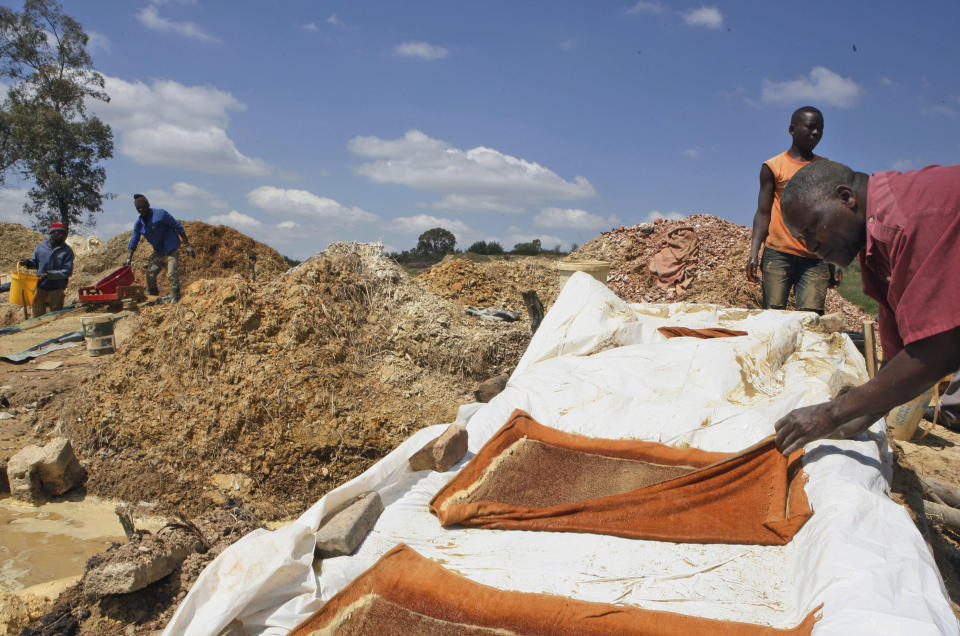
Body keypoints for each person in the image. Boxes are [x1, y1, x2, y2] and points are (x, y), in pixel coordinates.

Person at [772, 161, 960, 455]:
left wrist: (833, 413)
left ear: (846, 197)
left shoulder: (909, 220)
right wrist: (865, 412)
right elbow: (899, 353)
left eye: (811, 229)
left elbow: (937, 349)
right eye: (801, 238)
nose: (810, 246)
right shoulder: (875, 246)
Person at [746, 106, 840, 314]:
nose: (815, 133)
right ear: (792, 129)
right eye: (809, 127)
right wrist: (754, 252)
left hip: (815, 260)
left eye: (820, 129)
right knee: (773, 317)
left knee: (811, 320)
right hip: (778, 255)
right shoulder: (773, 166)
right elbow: (763, 213)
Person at [125, 194, 195, 303]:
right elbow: (134, 240)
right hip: (158, 252)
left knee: (171, 274)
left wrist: (188, 245)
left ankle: (175, 299)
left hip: (171, 249)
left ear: (147, 205)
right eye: (139, 209)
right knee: (150, 274)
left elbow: (177, 226)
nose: (141, 210)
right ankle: (153, 298)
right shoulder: (139, 224)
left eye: (143, 207)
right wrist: (128, 259)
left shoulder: (160, 214)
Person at [18, 222, 74, 317]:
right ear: (52, 233)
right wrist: (27, 263)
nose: (63, 236)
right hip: (40, 288)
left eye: (64, 234)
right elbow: (35, 263)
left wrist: (50, 275)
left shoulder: (67, 251)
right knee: (37, 317)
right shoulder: (40, 247)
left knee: (55, 318)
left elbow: (67, 271)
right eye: (60, 233)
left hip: (57, 290)